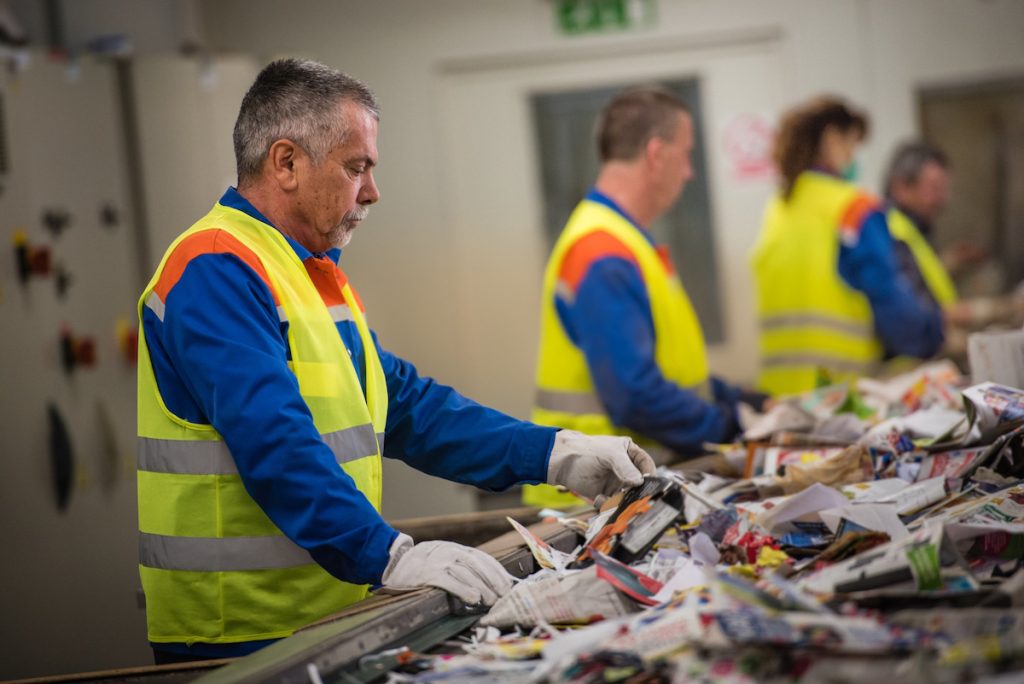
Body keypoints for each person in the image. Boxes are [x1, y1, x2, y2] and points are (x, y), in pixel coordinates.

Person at [136, 58, 655, 663]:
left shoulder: (310, 270)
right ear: (286, 163)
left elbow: (408, 406)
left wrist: (553, 453)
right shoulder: (215, 268)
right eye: (357, 168)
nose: (373, 191)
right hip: (239, 636)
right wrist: (387, 554)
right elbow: (272, 440)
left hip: (326, 617)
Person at [526, 86, 763, 508]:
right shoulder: (603, 251)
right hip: (592, 503)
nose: (689, 172)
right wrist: (729, 426)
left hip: (616, 492)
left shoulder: (622, 241)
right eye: (686, 154)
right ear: (657, 154)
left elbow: (667, 367)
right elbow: (635, 395)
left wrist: (739, 399)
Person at [750, 97, 944, 397]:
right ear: (831, 139)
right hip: (844, 400)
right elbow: (896, 310)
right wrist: (935, 332)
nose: (854, 156)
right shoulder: (853, 209)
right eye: (852, 144)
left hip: (782, 402)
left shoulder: (777, 210)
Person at [883, 141, 959, 310]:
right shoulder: (891, 232)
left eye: (945, 189)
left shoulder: (915, 230)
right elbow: (914, 307)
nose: (943, 199)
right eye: (934, 188)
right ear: (901, 187)